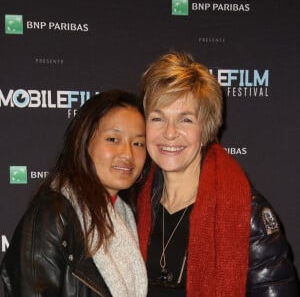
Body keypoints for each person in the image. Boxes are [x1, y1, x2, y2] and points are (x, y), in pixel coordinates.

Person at [136, 52, 300, 296]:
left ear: (206, 129)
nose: (169, 133)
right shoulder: (133, 205)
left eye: (186, 120)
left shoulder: (248, 214)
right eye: (158, 118)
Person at [0, 90, 151, 297]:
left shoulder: (128, 216)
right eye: (113, 139)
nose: (127, 153)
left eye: (138, 143)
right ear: (84, 140)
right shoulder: (53, 216)